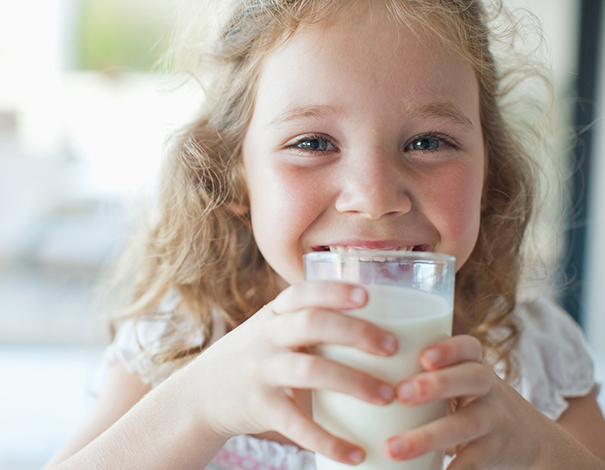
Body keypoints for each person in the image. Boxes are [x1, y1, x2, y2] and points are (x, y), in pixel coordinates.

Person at [44, 0, 605, 469]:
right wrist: (198, 405)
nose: (375, 196)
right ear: (233, 174)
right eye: (313, 143)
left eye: (429, 142)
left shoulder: (529, 357)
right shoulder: (183, 343)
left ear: (491, 172)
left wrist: (543, 453)